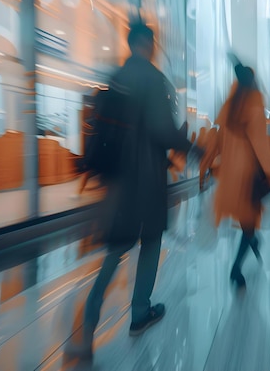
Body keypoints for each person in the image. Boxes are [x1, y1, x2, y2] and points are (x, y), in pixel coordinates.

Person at [76, 21, 196, 359]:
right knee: (151, 239)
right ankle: (140, 311)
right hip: (145, 179)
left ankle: (88, 322)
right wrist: (192, 147)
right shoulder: (153, 79)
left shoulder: (115, 78)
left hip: (117, 181)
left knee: (116, 249)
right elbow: (162, 130)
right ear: (149, 43)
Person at [202, 61, 270, 288]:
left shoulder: (228, 106)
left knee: (247, 220)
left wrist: (205, 166)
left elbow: (214, 139)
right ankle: (236, 267)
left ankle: (253, 243)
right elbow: (259, 140)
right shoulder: (254, 103)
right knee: (250, 220)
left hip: (230, 174)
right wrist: (269, 172)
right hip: (249, 173)